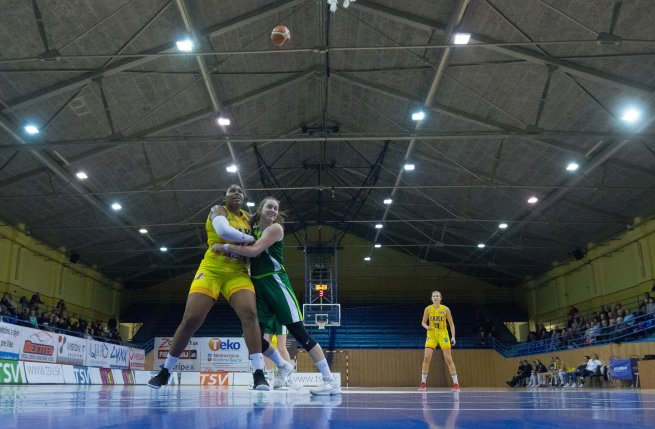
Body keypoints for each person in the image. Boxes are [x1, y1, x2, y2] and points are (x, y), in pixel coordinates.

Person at [148, 184, 278, 390]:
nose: (237, 193)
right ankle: (165, 370)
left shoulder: (248, 218)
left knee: (250, 315)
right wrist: (252, 238)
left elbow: (266, 230)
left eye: (240, 191)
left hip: (237, 273)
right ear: (224, 197)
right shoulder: (218, 210)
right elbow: (224, 231)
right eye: (232, 190)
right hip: (211, 270)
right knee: (191, 319)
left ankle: (259, 373)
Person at [223, 196, 341, 395]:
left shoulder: (275, 229)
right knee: (252, 337)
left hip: (276, 283)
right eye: (269, 206)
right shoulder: (254, 230)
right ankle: (283, 365)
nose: (273, 211)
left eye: (276, 208)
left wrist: (225, 246)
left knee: (300, 333)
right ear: (260, 209)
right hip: (258, 285)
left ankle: (330, 381)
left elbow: (254, 251)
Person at [418, 291, 459, 391]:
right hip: (431, 335)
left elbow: (452, 324)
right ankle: (423, 383)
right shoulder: (428, 309)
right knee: (427, 357)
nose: (435, 297)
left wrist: (453, 337)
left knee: (448, 359)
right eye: (433, 296)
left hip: (443, 334)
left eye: (437, 296)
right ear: (431, 298)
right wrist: (427, 327)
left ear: (440, 298)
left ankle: (456, 383)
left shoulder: (445, 309)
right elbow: (423, 322)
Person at [263, 317, 292, 381]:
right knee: (265, 347)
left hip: (280, 316)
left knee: (282, 348)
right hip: (268, 316)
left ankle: (290, 379)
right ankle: (271, 378)